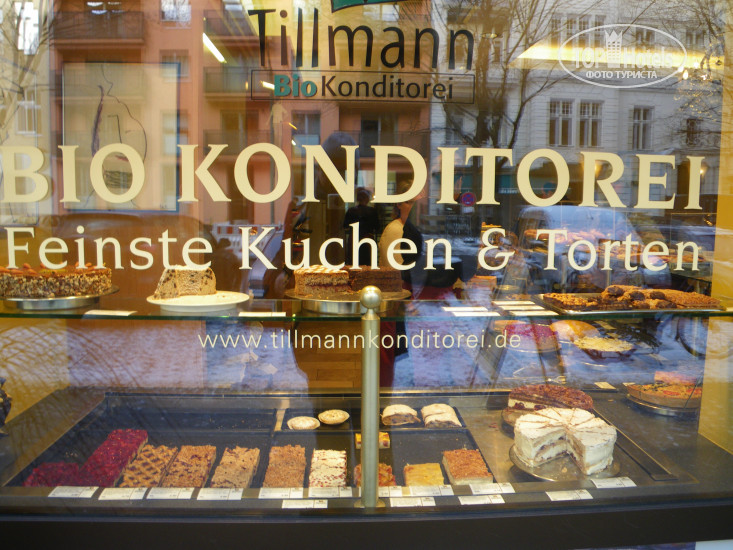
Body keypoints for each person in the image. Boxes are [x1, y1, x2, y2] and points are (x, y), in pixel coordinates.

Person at [378, 180, 423, 290]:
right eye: (410, 202)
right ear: (399, 204)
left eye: (418, 203)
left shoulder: (414, 229)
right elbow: (397, 274)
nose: (415, 207)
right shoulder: (395, 229)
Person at [343, 187, 379, 266]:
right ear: (367, 199)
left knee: (354, 262)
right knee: (368, 263)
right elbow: (377, 227)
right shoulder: (372, 211)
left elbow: (345, 226)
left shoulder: (351, 211)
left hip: (354, 239)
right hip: (368, 239)